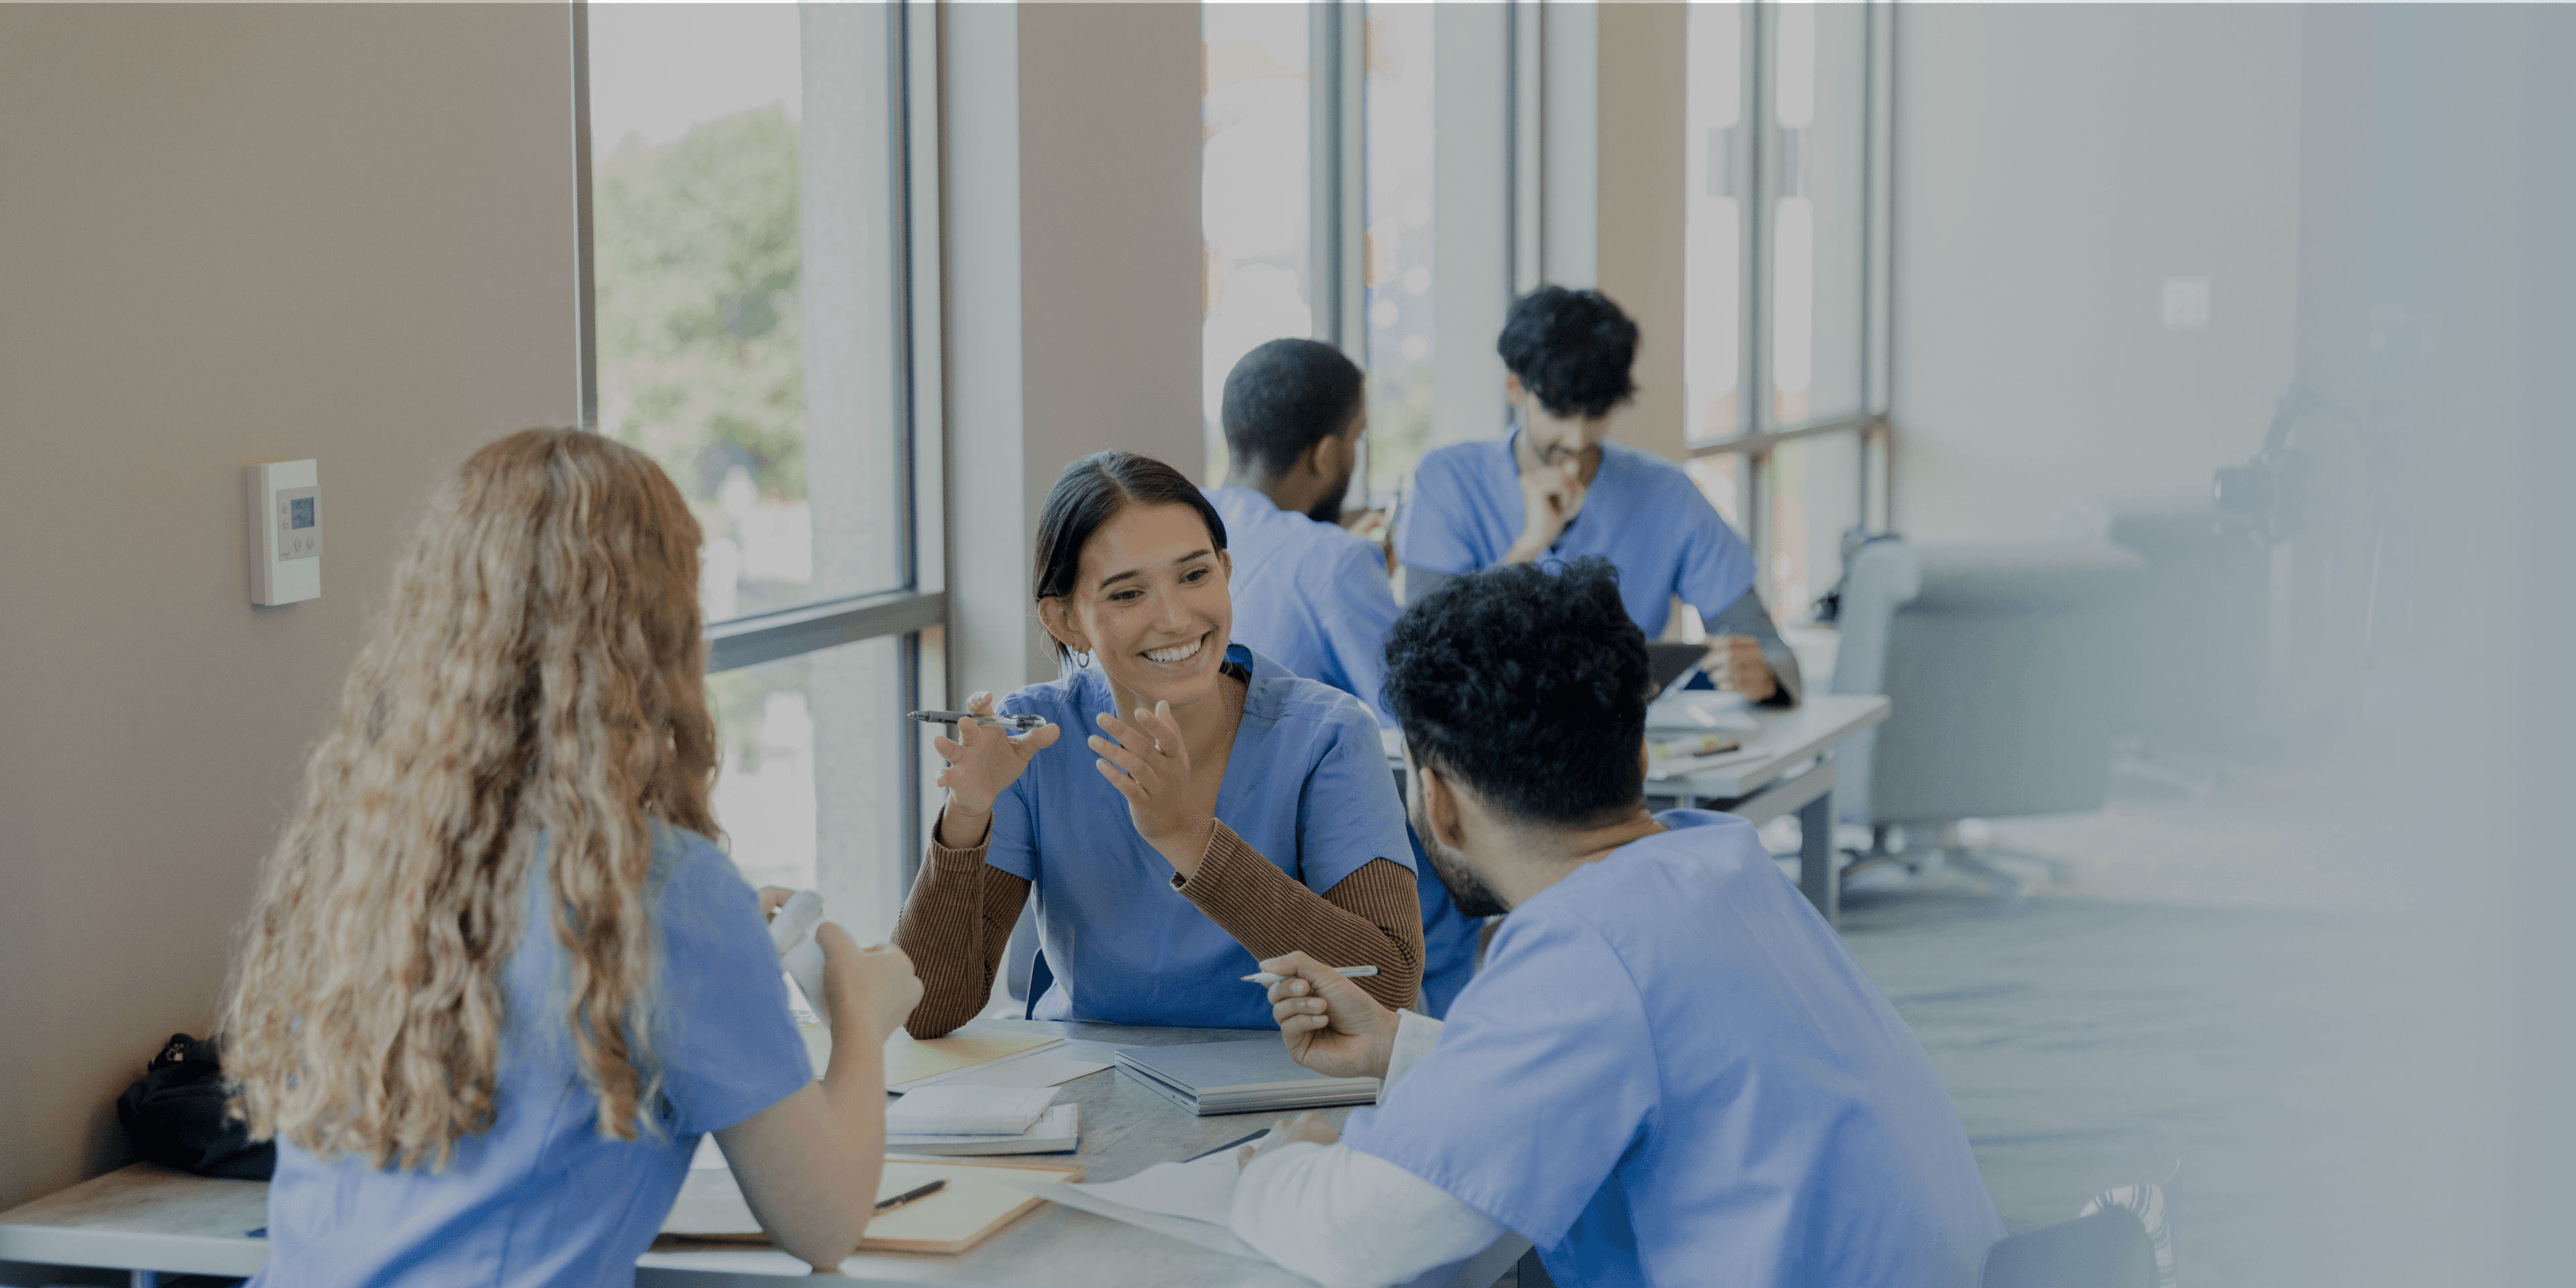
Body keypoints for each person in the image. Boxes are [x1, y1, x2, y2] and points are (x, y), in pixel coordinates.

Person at [222, 429, 926, 1285]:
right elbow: (823, 1223)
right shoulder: (671, 894)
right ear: (657, 636)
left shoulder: (366, 860)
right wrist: (860, 1019)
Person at [1226, 560, 2004, 1288]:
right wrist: (1407, 1050)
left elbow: (1372, 1232)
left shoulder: (1584, 945)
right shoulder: (1715, 864)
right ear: (1638, 758)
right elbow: (1631, 1060)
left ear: (1438, 800)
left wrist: (1273, 1166)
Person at [892, 451, 1423, 1035]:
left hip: (1290, 1096)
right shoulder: (1030, 737)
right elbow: (925, 1011)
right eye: (1126, 594)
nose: (1174, 618)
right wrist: (966, 818)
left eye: (1195, 575)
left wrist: (1185, 836)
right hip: (1089, 1093)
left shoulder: (1329, 735)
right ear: (1065, 621)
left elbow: (1389, 986)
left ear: (1225, 568)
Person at [1205, 337, 1479, 1018]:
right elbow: (1413, 720)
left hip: (1207, 846)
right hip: (1310, 866)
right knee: (1448, 854)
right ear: (1327, 454)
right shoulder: (1335, 561)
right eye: (1356, 440)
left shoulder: (1183, 528)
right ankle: (1436, 1044)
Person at [1395, 285, 1803, 704]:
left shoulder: (1667, 494)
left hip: (1622, 752)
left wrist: (1762, 674)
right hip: (1484, 755)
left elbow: (1773, 653)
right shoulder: (1446, 481)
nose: (1577, 438)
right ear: (1515, 387)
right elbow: (1422, 661)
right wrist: (1529, 546)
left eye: (1597, 414)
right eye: (1559, 413)